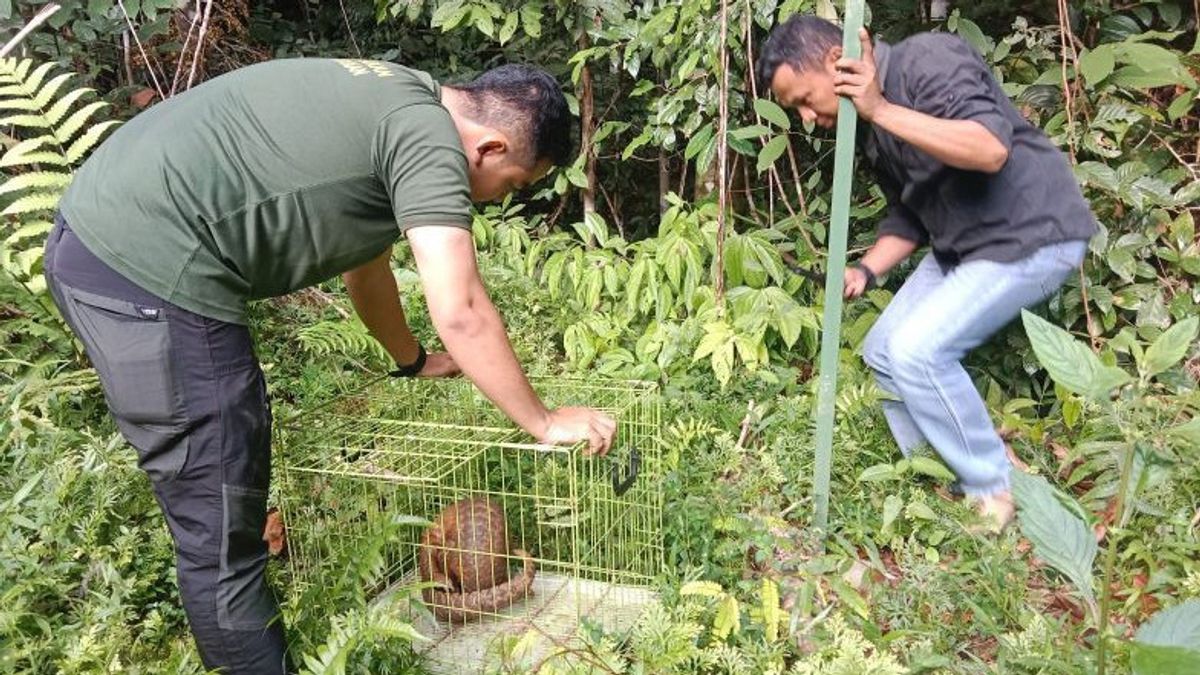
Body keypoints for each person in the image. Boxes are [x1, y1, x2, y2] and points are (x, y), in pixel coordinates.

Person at [42, 59, 617, 674]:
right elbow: (463, 309)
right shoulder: (430, 140)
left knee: (229, 482)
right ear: (489, 147)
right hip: (144, 267)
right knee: (222, 531)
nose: (499, 197)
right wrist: (545, 421)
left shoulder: (399, 97)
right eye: (510, 184)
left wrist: (412, 359)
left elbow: (363, 264)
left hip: (109, 240)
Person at [757, 17, 1096, 531]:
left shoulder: (926, 60)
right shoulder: (872, 130)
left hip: (1031, 233)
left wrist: (882, 109)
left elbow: (989, 148)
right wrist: (867, 271)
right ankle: (945, 474)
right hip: (965, 248)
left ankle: (996, 489)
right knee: (883, 351)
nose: (807, 118)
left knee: (919, 352)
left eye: (804, 99)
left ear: (835, 62)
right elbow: (911, 214)